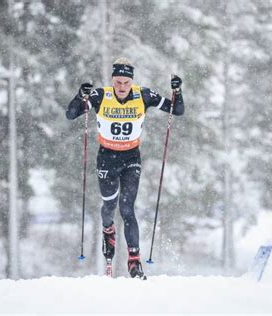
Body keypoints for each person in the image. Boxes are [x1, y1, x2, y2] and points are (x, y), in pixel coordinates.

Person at [66, 57, 184, 278]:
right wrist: (81, 95)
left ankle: (134, 260)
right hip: (106, 159)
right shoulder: (101, 96)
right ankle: (108, 230)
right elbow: (71, 113)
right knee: (109, 206)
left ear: (132, 82)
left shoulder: (144, 95)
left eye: (126, 83)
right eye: (118, 82)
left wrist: (177, 91)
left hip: (131, 157)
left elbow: (176, 110)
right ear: (112, 80)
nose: (121, 87)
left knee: (127, 208)